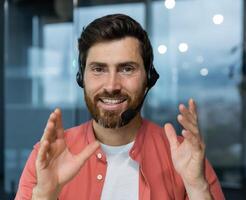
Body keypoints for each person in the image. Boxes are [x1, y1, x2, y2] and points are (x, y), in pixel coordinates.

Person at [15, 14, 224, 200]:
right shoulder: (47, 156)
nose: (111, 86)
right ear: (82, 78)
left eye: (126, 69)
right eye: (98, 69)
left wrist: (197, 187)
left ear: (148, 79)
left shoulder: (186, 157)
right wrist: (45, 194)